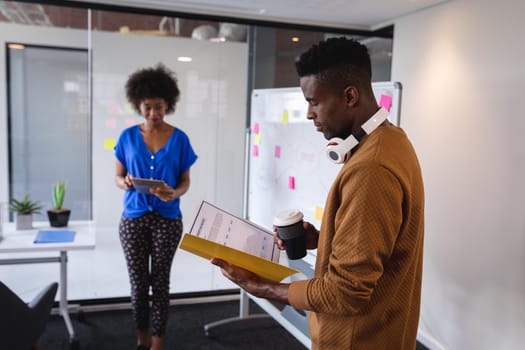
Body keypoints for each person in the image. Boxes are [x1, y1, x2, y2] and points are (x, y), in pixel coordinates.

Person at [211, 37, 424, 349]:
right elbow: (377, 245)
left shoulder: (370, 169)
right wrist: (323, 238)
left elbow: (346, 291)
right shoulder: (393, 141)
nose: (309, 114)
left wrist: (261, 287)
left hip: (357, 340)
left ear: (350, 95)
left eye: (314, 102)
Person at [114, 64, 197, 350]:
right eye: (148, 107)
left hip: (168, 219)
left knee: (160, 284)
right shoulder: (126, 137)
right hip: (133, 219)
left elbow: (185, 182)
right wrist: (124, 182)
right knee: (138, 285)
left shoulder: (180, 138)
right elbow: (117, 176)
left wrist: (174, 193)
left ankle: (157, 344)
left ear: (168, 105)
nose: (153, 113)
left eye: (159, 107)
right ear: (138, 105)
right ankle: (141, 339)